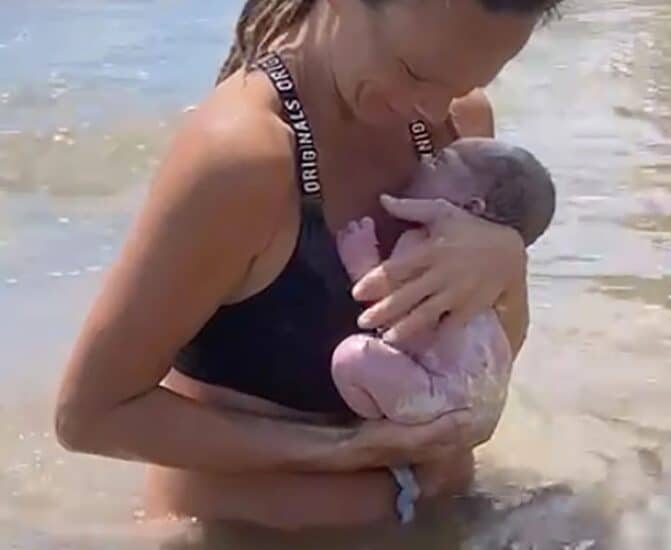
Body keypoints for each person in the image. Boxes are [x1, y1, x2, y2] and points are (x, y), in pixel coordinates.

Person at [54, 0, 562, 530]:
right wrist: (343, 450)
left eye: (462, 83)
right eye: (414, 71)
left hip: (446, 521)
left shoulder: (456, 129)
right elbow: (91, 417)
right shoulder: (242, 161)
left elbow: (483, 365)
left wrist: (506, 263)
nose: (435, 109)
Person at [332, 137, 556, 425]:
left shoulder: (423, 243)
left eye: (440, 162)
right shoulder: (489, 262)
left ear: (472, 206)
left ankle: (383, 426)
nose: (424, 161)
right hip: (476, 399)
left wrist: (361, 266)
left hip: (440, 395)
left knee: (351, 358)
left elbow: (397, 318)